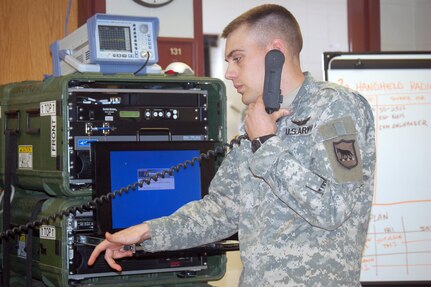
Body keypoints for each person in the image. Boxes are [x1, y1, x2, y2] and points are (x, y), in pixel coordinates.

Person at [88, 4, 376, 286]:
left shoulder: (335, 106)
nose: (229, 73)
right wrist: (148, 233)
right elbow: (222, 210)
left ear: (275, 53)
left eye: (237, 58)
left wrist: (266, 143)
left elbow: (334, 208)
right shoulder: (254, 120)